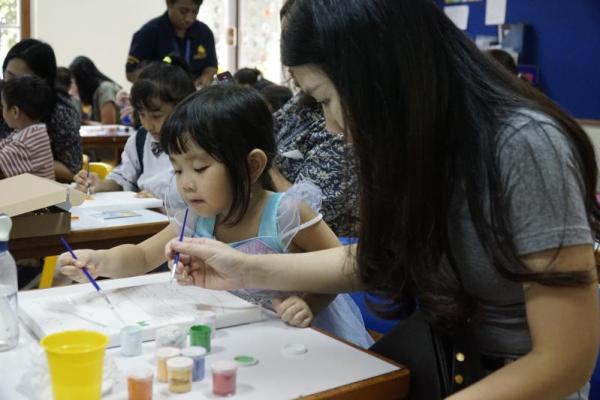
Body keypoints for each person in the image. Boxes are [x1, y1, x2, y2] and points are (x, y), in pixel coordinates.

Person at [165, 1, 599, 399]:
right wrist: (242, 268)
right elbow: (378, 262)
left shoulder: (523, 146)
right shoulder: (416, 146)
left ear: (382, 74)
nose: (332, 125)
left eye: (326, 99)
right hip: (446, 366)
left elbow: (564, 360)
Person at [60, 84, 372, 348]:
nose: (186, 182)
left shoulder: (287, 213)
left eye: (199, 168)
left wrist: (308, 303)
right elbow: (142, 256)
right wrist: (99, 261)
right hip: (242, 337)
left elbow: (343, 269)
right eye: (178, 168)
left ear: (252, 166)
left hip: (304, 341)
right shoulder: (196, 217)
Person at [74, 59, 193, 206]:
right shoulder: (141, 139)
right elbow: (124, 176)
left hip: (181, 223)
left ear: (181, 108)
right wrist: (98, 184)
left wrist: (159, 202)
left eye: (156, 116)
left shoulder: (194, 143)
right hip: (146, 218)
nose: (148, 124)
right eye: (142, 114)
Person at [271, 91, 359, 237]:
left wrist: (269, 168)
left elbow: (304, 213)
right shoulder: (301, 102)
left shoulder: (344, 144)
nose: (331, 126)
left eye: (326, 101)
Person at [1, 39, 82, 181]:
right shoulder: (6, 99)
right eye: (9, 75)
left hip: (37, 194)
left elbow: (72, 169)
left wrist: (33, 161)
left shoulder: (60, 113)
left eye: (21, 80)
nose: (12, 85)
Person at [126, 0, 217, 88]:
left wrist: (205, 78)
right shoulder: (148, 32)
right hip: (161, 97)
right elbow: (130, 74)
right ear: (169, 3)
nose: (189, 19)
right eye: (183, 11)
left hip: (194, 96)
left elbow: (211, 66)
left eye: (195, 12)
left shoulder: (204, 33)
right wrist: (160, 79)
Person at [0, 75, 55, 180]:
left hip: (38, 195)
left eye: (3, 106)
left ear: (15, 112)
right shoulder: (34, 132)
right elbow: (4, 145)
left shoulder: (24, 143)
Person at [69, 56, 121, 125]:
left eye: (76, 83)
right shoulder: (94, 95)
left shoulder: (105, 89)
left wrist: (82, 122)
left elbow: (108, 126)